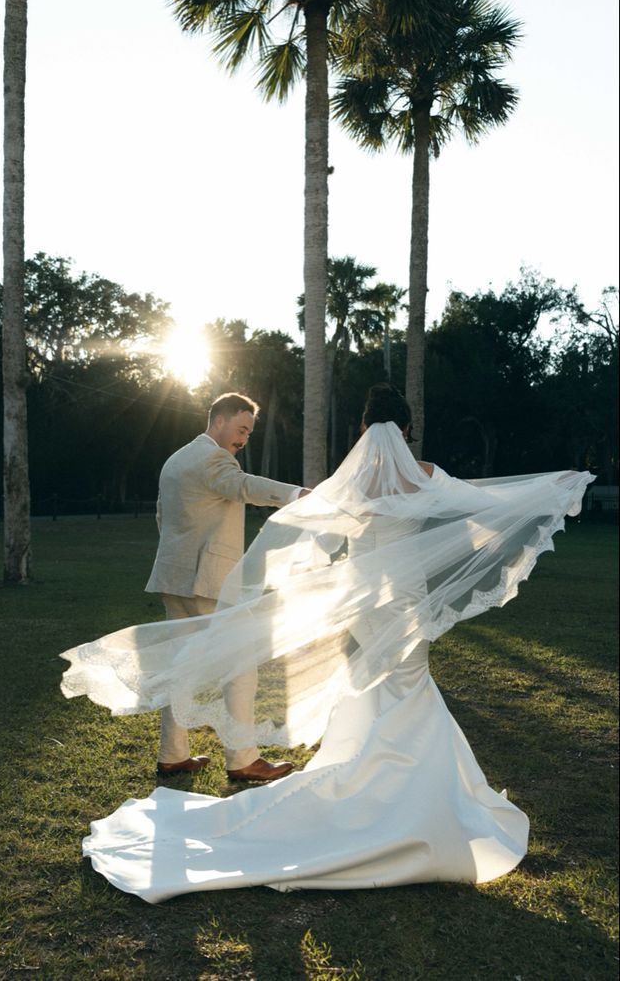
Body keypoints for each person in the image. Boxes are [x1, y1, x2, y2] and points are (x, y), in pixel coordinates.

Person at [60, 384, 593, 903]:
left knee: (379, 685)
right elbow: (478, 498)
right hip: (402, 603)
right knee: (408, 686)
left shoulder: (351, 479)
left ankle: (377, 785)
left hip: (363, 607)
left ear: (363, 427)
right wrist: (556, 485)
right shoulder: (422, 474)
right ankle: (405, 801)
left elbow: (316, 525)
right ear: (406, 429)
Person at [144, 392, 306, 782]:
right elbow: (242, 486)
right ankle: (243, 759)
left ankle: (172, 755)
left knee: (180, 670)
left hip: (174, 577)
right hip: (210, 582)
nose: (244, 439)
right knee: (240, 665)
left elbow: (162, 517)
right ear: (220, 420)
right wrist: (296, 495)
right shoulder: (214, 459)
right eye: (241, 429)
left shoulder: (175, 460)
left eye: (249, 433)